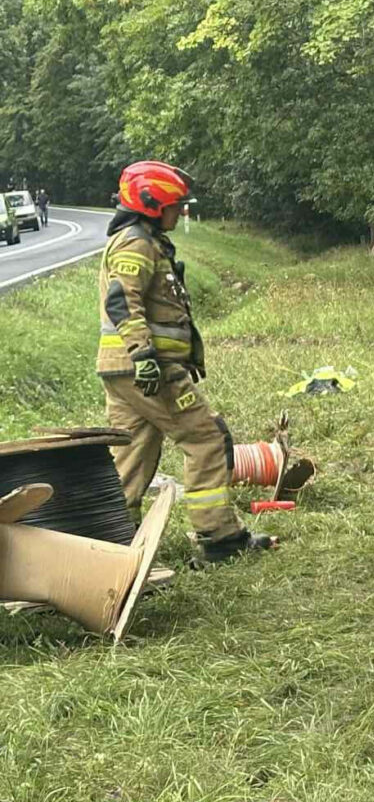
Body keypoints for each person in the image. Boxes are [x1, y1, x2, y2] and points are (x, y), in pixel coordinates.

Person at [97, 161, 277, 564]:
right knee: (206, 438)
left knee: (131, 457)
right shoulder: (136, 244)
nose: (180, 212)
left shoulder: (145, 240)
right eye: (175, 206)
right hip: (148, 370)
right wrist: (144, 355)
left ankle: (112, 544)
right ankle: (220, 539)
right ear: (151, 204)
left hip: (123, 370)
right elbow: (123, 300)